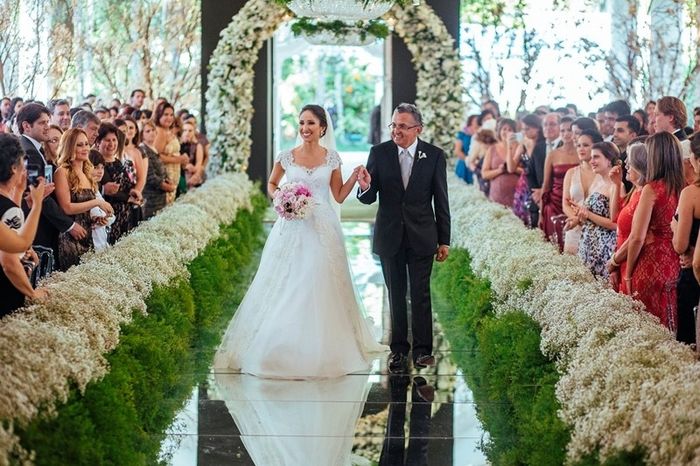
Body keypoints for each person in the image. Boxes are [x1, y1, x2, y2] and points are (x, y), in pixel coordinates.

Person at [214, 104, 387, 378]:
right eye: (302, 123)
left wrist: (355, 177)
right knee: (287, 280)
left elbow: (338, 196)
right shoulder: (286, 157)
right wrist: (283, 197)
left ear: (322, 128)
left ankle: (323, 346)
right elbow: (272, 184)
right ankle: (280, 343)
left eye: (311, 123)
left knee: (318, 280)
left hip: (323, 228)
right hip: (292, 226)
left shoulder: (332, 158)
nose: (305, 128)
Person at [357, 102, 450, 374]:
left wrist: (444, 240)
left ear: (417, 129)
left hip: (423, 235)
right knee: (396, 294)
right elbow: (368, 197)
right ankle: (398, 351)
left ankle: (423, 352)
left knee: (420, 294)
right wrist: (364, 187)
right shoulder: (379, 153)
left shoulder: (434, 156)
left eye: (403, 126)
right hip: (390, 236)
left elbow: (441, 200)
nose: (396, 131)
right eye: (394, 125)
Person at [624, 132, 684, 331]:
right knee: (670, 324)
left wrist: (628, 273)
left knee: (646, 328)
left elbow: (637, 237)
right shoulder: (683, 187)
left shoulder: (652, 189)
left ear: (655, 156)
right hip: (675, 262)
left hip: (651, 261)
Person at [17, 103, 85, 272]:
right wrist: (69, 225)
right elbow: (39, 196)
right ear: (26, 126)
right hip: (38, 226)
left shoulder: (33, 148)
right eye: (42, 123)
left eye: (48, 122)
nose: (47, 126)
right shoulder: (29, 151)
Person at [0, 134, 48, 317]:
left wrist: (19, 191)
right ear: (13, 168)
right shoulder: (8, 209)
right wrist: (37, 205)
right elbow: (10, 260)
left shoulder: (8, 206)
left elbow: (11, 226)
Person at [54, 129, 113, 268]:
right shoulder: (62, 172)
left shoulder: (87, 172)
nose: (85, 148)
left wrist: (95, 219)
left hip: (89, 235)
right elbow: (66, 208)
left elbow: (84, 208)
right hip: (71, 238)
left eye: (86, 144)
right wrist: (97, 202)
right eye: (79, 145)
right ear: (69, 147)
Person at [574, 141, 619, 278]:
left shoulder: (616, 186)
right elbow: (589, 217)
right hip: (587, 242)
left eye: (596, 157)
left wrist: (588, 214)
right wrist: (579, 217)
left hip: (604, 247)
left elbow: (615, 224)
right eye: (591, 157)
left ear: (609, 160)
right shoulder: (597, 183)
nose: (591, 161)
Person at [671, 133, 700, 344]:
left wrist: (674, 226)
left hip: (693, 277)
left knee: (690, 343)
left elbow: (680, 245)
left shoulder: (690, 193)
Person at [608, 143, 648, 292]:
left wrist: (614, 261)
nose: (625, 164)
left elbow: (636, 237)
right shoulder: (635, 191)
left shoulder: (645, 194)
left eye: (630, 161)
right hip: (621, 257)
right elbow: (615, 217)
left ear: (640, 165)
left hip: (634, 259)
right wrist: (617, 184)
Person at [562, 125, 602, 254]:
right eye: (578, 145)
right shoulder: (571, 173)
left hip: (597, 232)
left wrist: (581, 220)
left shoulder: (604, 174)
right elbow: (565, 204)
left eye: (585, 145)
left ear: (596, 147)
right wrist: (575, 219)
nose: (581, 149)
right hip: (574, 231)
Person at [509, 114, 542, 226]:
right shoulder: (523, 143)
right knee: (522, 219)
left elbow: (536, 165)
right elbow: (511, 168)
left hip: (538, 185)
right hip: (524, 185)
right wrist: (509, 147)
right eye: (523, 129)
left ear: (537, 127)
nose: (524, 132)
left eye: (527, 129)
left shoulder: (543, 144)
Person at [139, 121, 175, 219]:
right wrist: (167, 187)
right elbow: (150, 177)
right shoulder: (143, 149)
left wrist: (168, 180)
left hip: (159, 196)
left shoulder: (152, 148)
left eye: (153, 130)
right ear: (142, 134)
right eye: (148, 131)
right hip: (150, 198)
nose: (151, 133)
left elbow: (161, 168)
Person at [482, 119, 519, 207]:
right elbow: (484, 174)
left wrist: (513, 168)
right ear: (499, 131)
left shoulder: (519, 147)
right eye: (504, 129)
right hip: (496, 197)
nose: (507, 132)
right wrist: (499, 170)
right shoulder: (492, 149)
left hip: (517, 195)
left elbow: (526, 170)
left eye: (510, 129)